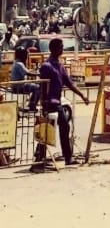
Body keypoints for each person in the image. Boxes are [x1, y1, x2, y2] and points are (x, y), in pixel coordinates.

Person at [38, 36, 90, 167]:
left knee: (62, 126)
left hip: (57, 102)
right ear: (53, 49)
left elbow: (69, 83)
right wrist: (43, 102)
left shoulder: (60, 66)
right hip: (49, 102)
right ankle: (39, 158)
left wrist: (82, 95)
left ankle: (67, 157)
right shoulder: (46, 66)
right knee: (46, 129)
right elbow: (43, 86)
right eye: (60, 47)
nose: (62, 49)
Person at [9, 46, 40, 111]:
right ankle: (32, 106)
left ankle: (31, 105)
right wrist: (39, 74)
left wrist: (34, 71)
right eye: (25, 55)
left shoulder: (16, 62)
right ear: (22, 55)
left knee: (35, 85)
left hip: (18, 85)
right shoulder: (19, 64)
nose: (26, 57)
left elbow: (27, 71)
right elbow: (28, 73)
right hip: (19, 86)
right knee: (37, 87)